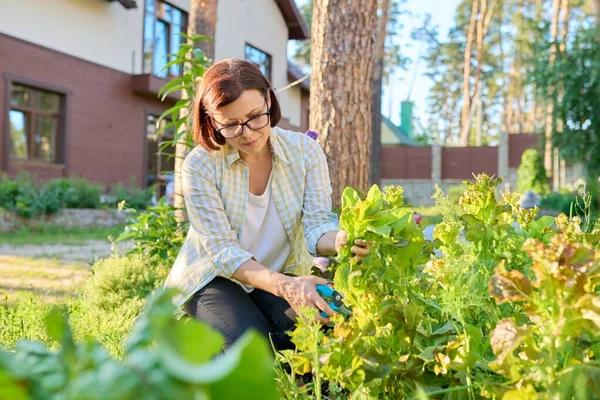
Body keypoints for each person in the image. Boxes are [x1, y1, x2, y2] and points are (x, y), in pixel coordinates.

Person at [164, 58, 368, 350]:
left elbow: (317, 224)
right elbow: (223, 253)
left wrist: (341, 240)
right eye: (231, 125)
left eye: (255, 116)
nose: (247, 133)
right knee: (249, 345)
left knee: (322, 330)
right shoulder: (200, 165)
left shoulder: (305, 152)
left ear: (269, 100)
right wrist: (286, 287)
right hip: (214, 278)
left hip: (276, 273)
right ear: (212, 121)